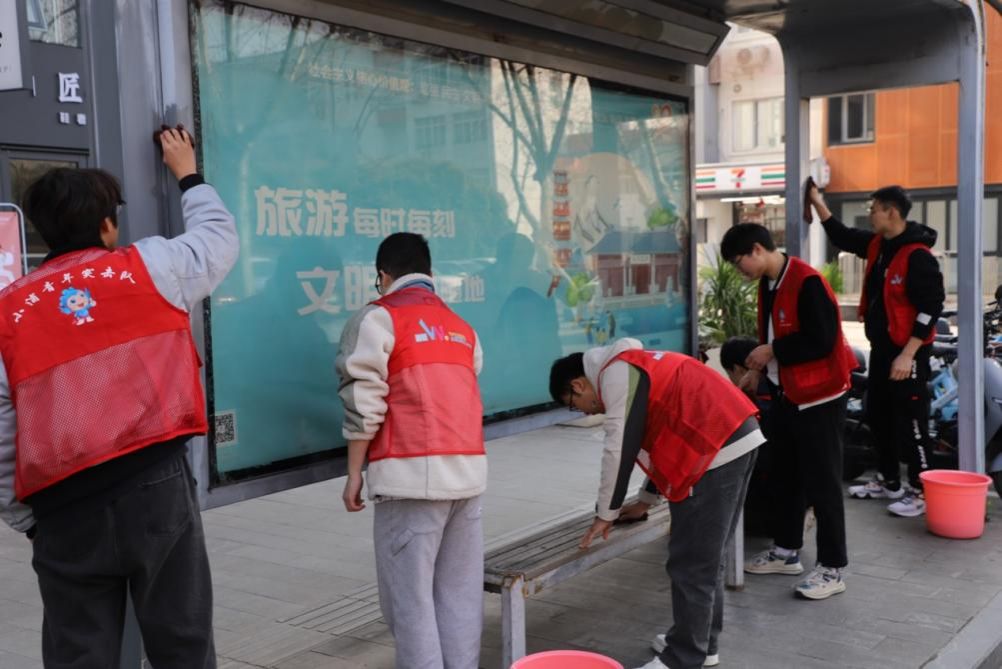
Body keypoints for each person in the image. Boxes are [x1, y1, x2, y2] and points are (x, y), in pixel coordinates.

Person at [0, 129, 238, 667]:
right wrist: (188, 175)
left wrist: (26, 520)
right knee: (182, 642)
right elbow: (219, 239)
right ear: (107, 225)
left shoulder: (8, 311)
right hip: (155, 485)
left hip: (62, 505)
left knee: (78, 653)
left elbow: (2, 434)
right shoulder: (150, 266)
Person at [549, 338, 764, 669]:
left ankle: (683, 657)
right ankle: (701, 643)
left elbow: (619, 448)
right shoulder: (635, 363)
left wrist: (605, 514)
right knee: (706, 558)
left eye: (575, 405)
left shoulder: (616, 373)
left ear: (578, 385)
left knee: (692, 563)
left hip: (714, 450)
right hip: (733, 435)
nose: (587, 411)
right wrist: (645, 501)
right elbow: (655, 437)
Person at [336, 232, 487, 669]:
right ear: (430, 273)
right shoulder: (462, 328)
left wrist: (354, 473)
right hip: (468, 476)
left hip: (410, 479)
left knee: (411, 605)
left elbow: (363, 401)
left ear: (383, 276)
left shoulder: (378, 319)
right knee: (459, 599)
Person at [721, 223, 856, 601]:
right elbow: (772, 335)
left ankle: (832, 568)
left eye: (738, 262)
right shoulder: (769, 282)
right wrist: (757, 370)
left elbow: (822, 340)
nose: (739, 271)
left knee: (823, 484)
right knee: (786, 476)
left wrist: (773, 351)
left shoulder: (807, 282)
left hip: (820, 397)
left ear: (756, 249)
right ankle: (786, 550)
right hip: (788, 396)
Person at [808, 184, 945, 517]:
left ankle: (922, 491)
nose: (870, 215)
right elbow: (841, 235)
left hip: (908, 354)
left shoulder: (918, 256)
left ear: (891, 212)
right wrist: (816, 202)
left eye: (874, 209)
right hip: (883, 350)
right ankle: (889, 481)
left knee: (912, 422)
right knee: (879, 415)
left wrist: (908, 354)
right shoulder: (877, 245)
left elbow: (931, 307)